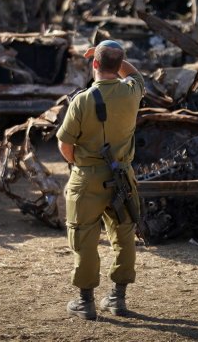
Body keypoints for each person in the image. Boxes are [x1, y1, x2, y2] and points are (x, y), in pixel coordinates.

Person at [56, 39, 145, 320]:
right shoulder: (132, 92)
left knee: (84, 238)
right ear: (118, 66)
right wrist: (112, 55)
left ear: (94, 64)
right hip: (123, 176)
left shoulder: (81, 101)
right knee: (124, 235)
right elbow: (135, 75)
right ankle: (118, 298)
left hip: (88, 177)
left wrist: (79, 166)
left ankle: (86, 302)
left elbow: (64, 145)